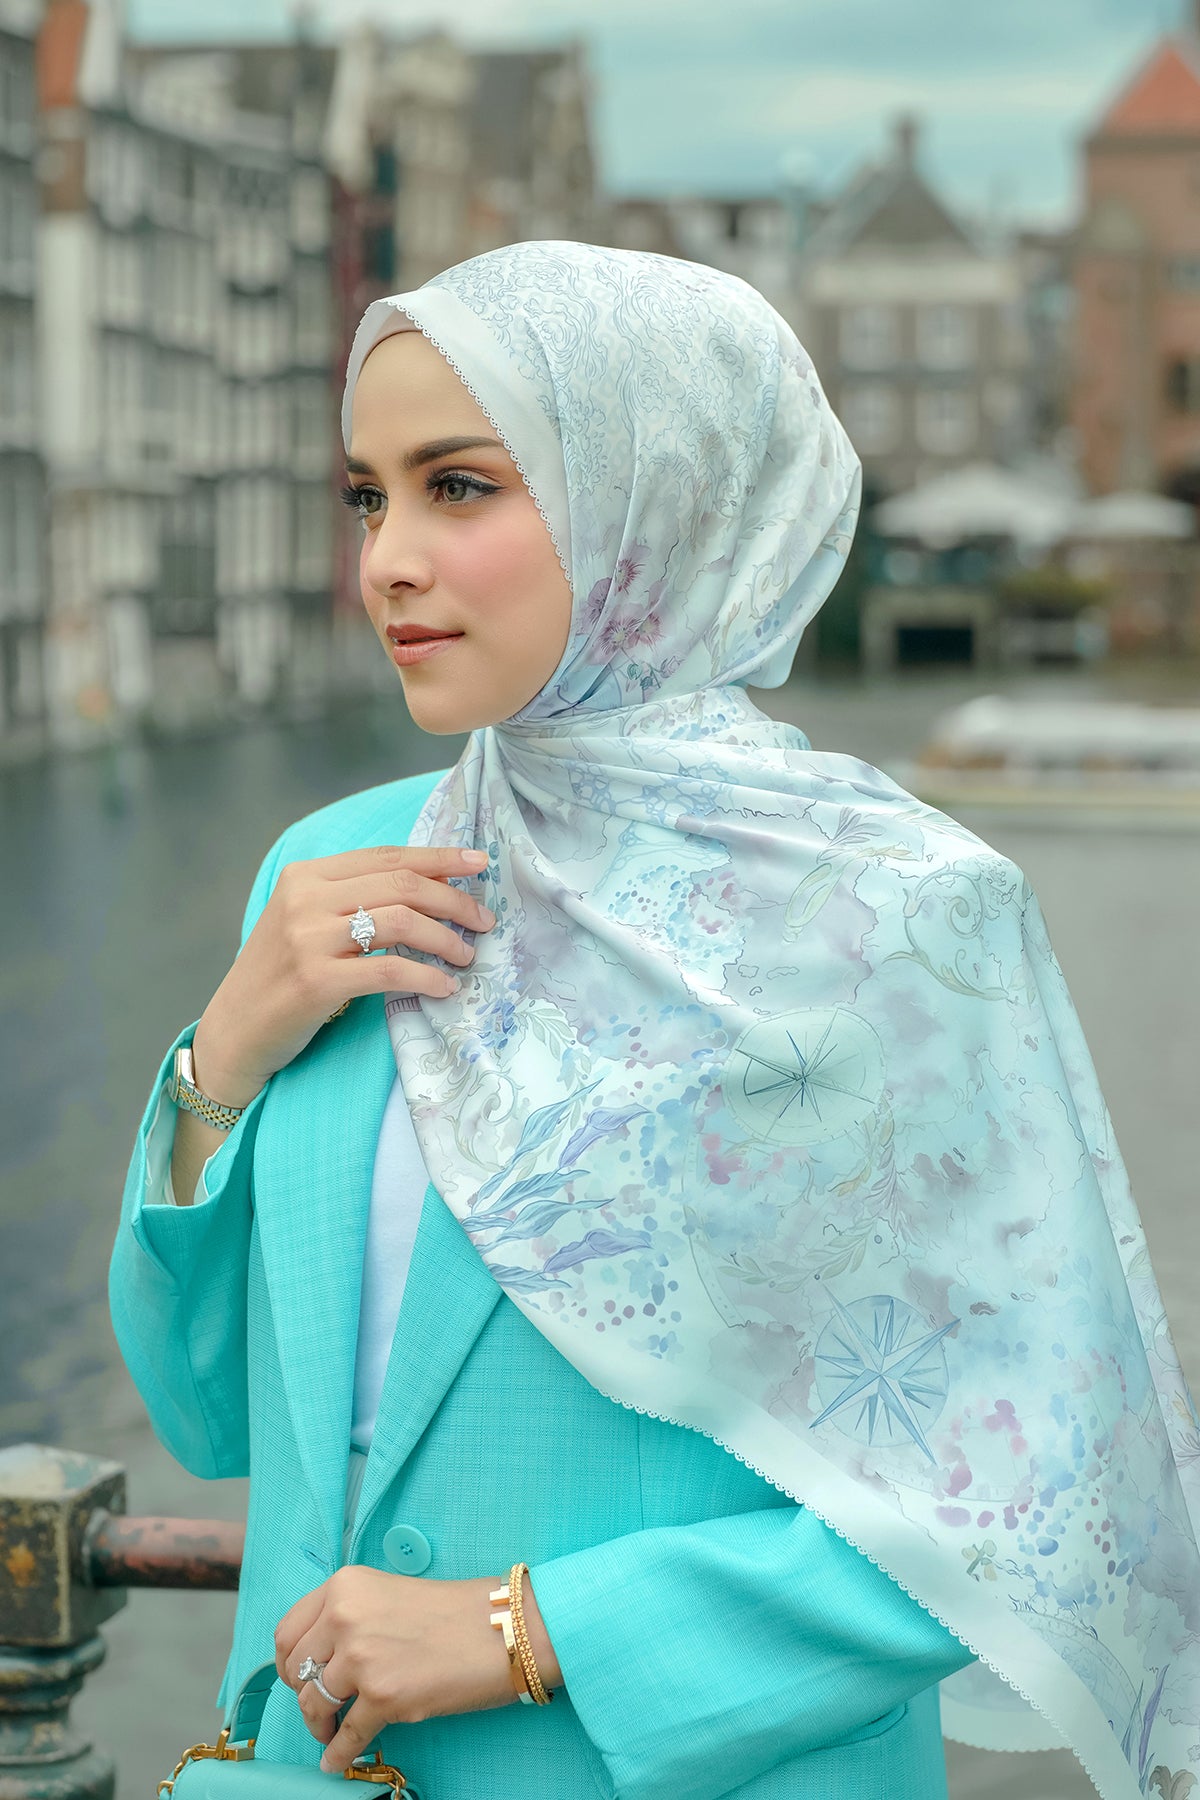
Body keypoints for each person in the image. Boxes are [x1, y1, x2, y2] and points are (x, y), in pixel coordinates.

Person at [111, 241, 1200, 1800]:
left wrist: (527, 1630)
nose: (389, 560)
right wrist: (223, 1056)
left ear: (653, 497)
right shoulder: (328, 881)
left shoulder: (892, 924)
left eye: (460, 487)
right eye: (367, 496)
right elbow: (204, 1408)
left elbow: (1041, 1502)